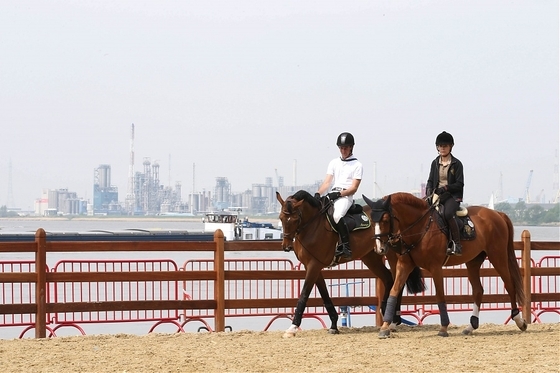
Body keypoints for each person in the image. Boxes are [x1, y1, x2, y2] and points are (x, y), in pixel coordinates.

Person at [316, 132, 363, 259]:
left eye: (346, 148)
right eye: (341, 148)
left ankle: (346, 246)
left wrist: (339, 194)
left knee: (337, 215)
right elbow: (327, 182)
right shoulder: (334, 163)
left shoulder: (357, 165)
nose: (343, 150)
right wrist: (318, 193)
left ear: (351, 147)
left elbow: (353, 188)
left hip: (345, 196)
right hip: (332, 194)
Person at [425, 131, 465, 256]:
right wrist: (429, 192)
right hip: (437, 195)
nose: (442, 148)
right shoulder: (435, 163)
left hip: (452, 196)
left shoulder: (456, 164)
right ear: (437, 147)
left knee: (447, 213)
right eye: (440, 146)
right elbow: (431, 180)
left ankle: (456, 244)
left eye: (445, 146)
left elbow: (459, 184)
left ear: (450, 147)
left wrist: (445, 188)